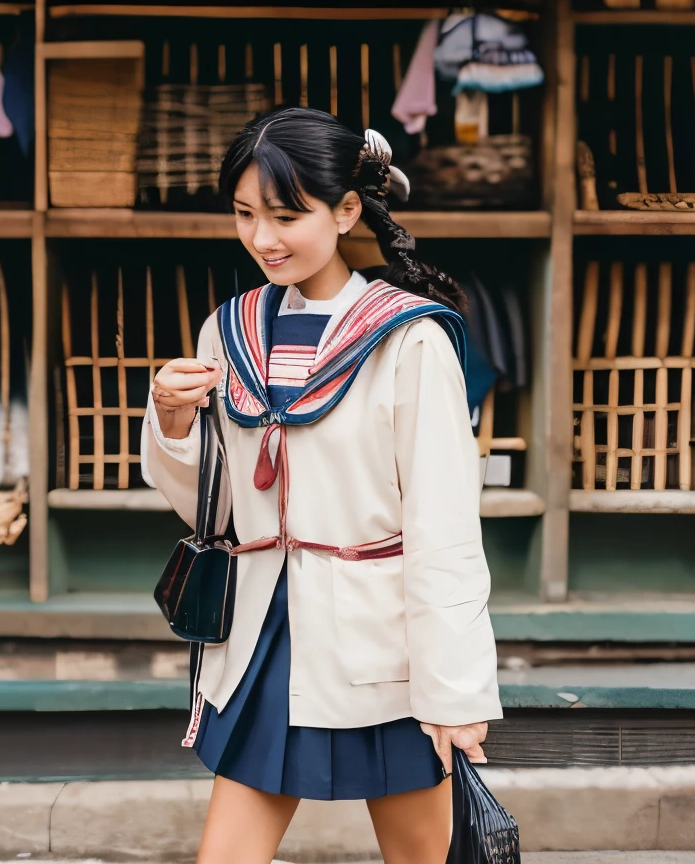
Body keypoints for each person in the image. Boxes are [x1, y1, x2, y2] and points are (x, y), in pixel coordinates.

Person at [142, 106, 501, 864]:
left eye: (285, 214)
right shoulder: (228, 330)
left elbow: (444, 529)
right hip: (266, 634)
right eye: (244, 215)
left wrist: (456, 693)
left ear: (346, 211)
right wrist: (173, 421)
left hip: (382, 646)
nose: (262, 239)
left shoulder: (411, 340)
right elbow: (220, 510)